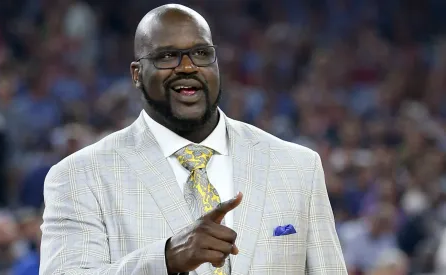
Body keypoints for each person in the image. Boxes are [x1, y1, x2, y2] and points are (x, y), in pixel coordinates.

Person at [39, 4, 347, 275]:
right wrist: (167, 258)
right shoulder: (79, 176)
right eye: (167, 56)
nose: (187, 67)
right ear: (136, 74)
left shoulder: (298, 167)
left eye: (201, 53)